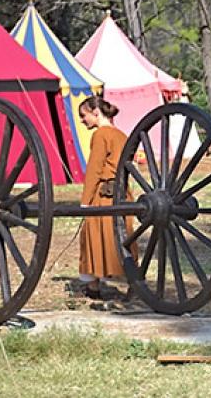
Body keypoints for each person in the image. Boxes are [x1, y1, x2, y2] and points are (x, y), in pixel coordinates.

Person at [77, 96, 136, 300]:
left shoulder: (101, 135)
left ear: (96, 112)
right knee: (123, 239)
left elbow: (95, 169)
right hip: (123, 196)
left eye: (84, 116)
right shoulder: (121, 135)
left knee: (93, 237)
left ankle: (93, 286)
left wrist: (85, 200)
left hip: (104, 196)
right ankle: (134, 283)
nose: (82, 120)